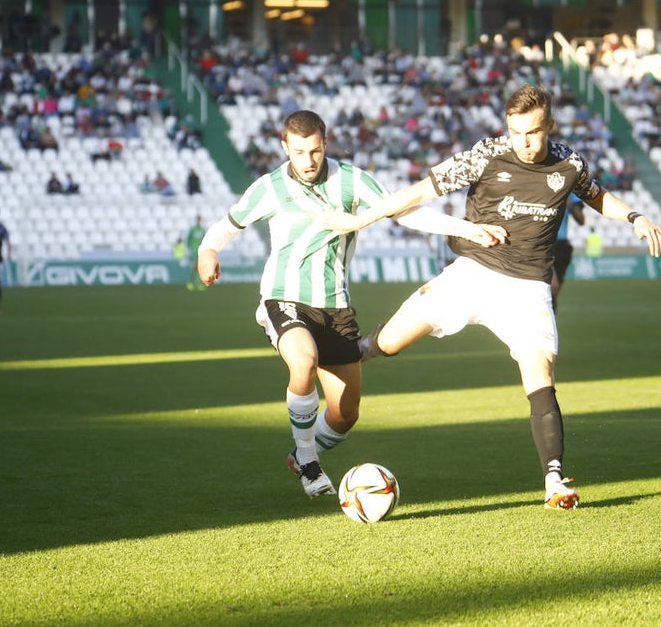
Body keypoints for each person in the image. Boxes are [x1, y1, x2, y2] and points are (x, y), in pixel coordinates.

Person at [320, 84, 661, 510]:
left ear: (549, 127)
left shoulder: (569, 163)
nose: (522, 142)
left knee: (540, 371)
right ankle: (356, 353)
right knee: (390, 342)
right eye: (515, 132)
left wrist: (634, 215)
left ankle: (554, 480)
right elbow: (418, 192)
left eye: (532, 133)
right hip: (471, 275)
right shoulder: (486, 155)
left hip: (527, 288)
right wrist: (362, 218)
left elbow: (596, 196)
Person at [196, 109, 503, 498]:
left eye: (315, 151)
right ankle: (309, 464)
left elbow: (404, 213)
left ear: (325, 143)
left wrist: (467, 229)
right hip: (284, 297)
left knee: (345, 415)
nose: (308, 161)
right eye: (299, 152)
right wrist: (208, 251)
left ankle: (302, 452)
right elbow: (227, 225)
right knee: (302, 360)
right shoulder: (270, 187)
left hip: (336, 307)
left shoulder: (352, 180)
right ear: (284, 147)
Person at [551, 197, 586, 310]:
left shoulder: (571, 194)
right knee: (552, 286)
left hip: (561, 246)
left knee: (555, 291)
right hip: (543, 244)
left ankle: (550, 318)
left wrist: (570, 205)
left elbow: (581, 220)